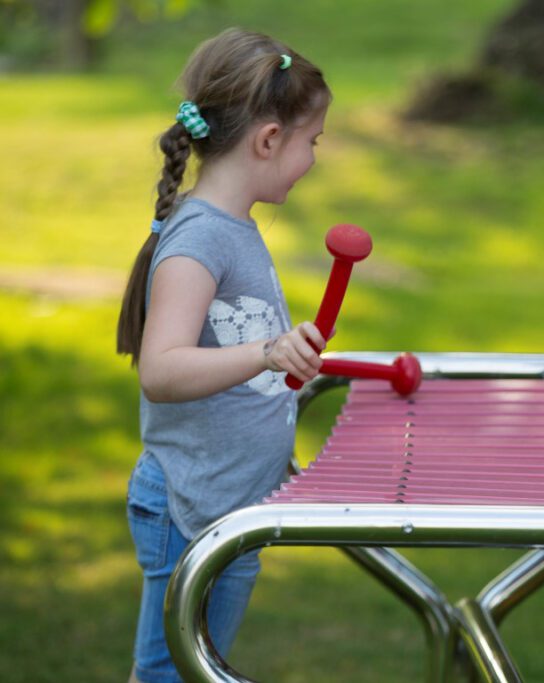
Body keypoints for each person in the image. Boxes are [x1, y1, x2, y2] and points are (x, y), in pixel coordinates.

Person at [116, 28, 332, 683]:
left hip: (227, 507)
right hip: (190, 508)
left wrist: (292, 359)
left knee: (193, 672)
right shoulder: (202, 237)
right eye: (312, 141)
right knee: (171, 675)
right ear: (268, 140)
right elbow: (162, 370)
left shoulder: (232, 227)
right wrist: (267, 351)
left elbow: (237, 353)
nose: (314, 158)